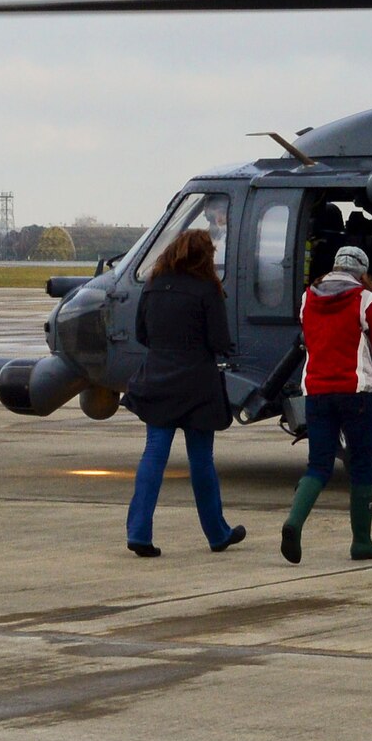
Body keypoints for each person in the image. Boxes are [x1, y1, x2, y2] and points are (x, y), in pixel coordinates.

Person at [120, 229, 245, 557]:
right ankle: (217, 533)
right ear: (205, 257)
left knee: (154, 454)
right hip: (197, 384)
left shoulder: (153, 285)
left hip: (157, 379)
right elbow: (219, 341)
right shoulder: (207, 290)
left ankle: (138, 532)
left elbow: (141, 334)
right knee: (201, 459)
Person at [282, 245, 372, 563]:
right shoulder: (364, 299)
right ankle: (362, 542)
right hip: (355, 391)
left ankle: (293, 522)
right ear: (361, 271)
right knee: (360, 465)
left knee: (318, 465)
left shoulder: (308, 298)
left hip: (315, 391)